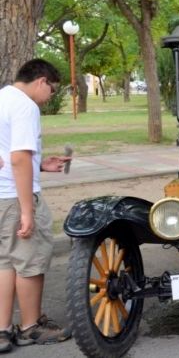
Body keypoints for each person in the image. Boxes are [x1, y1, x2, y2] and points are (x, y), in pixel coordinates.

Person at [0, 59, 72, 353]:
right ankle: (31, 326)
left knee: (5, 263)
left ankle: (2, 330)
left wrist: (40, 164)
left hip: (1, 194)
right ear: (42, 81)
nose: (49, 98)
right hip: (17, 196)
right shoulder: (25, 107)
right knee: (29, 262)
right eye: (52, 91)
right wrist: (28, 210)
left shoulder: (3, 97)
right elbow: (18, 157)